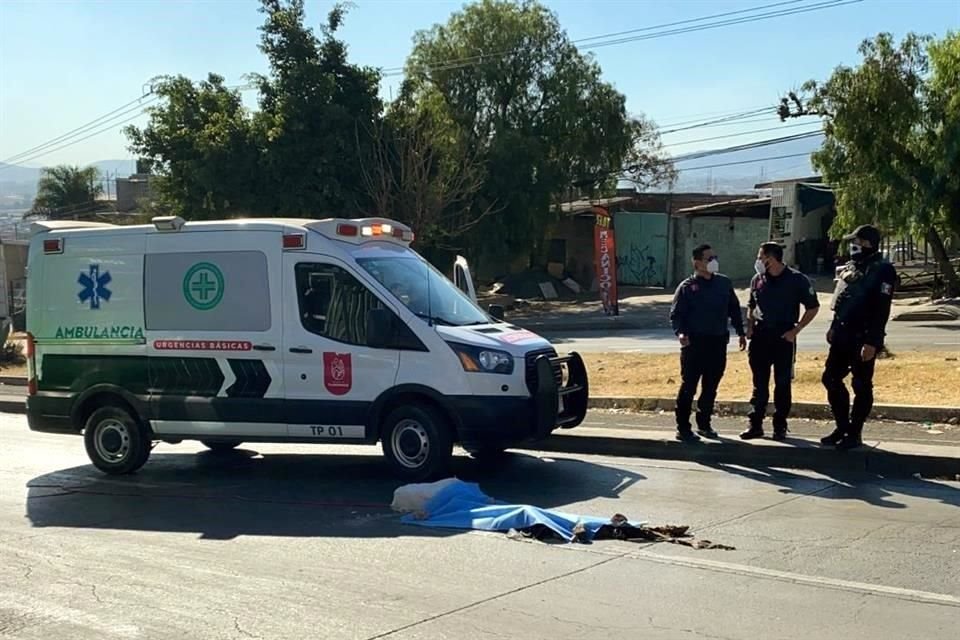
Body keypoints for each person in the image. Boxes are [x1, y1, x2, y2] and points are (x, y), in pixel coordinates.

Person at [820, 224, 897, 450]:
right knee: (830, 378)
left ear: (868, 243)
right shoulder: (853, 266)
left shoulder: (883, 270)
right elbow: (843, 298)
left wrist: (873, 341)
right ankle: (842, 426)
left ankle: (855, 432)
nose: (853, 246)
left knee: (861, 385)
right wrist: (834, 326)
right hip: (843, 332)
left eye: (858, 241)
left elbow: (882, 308)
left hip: (863, 336)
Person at [741, 242, 820, 441]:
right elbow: (752, 304)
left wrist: (796, 330)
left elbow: (812, 307)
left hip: (784, 336)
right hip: (760, 336)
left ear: (772, 257)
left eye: (761, 257)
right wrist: (749, 326)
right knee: (759, 383)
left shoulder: (796, 279)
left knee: (782, 384)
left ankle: (780, 425)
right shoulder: (757, 279)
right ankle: (755, 424)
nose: (758, 261)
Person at [669, 244, 746, 442]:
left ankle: (704, 423)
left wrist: (741, 332)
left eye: (715, 257)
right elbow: (677, 315)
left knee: (711, 386)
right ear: (697, 263)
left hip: (717, 342)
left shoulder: (723, 283)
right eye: (708, 258)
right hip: (694, 344)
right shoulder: (687, 287)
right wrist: (681, 333)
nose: (713, 262)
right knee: (689, 386)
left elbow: (734, 309)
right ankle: (683, 427)